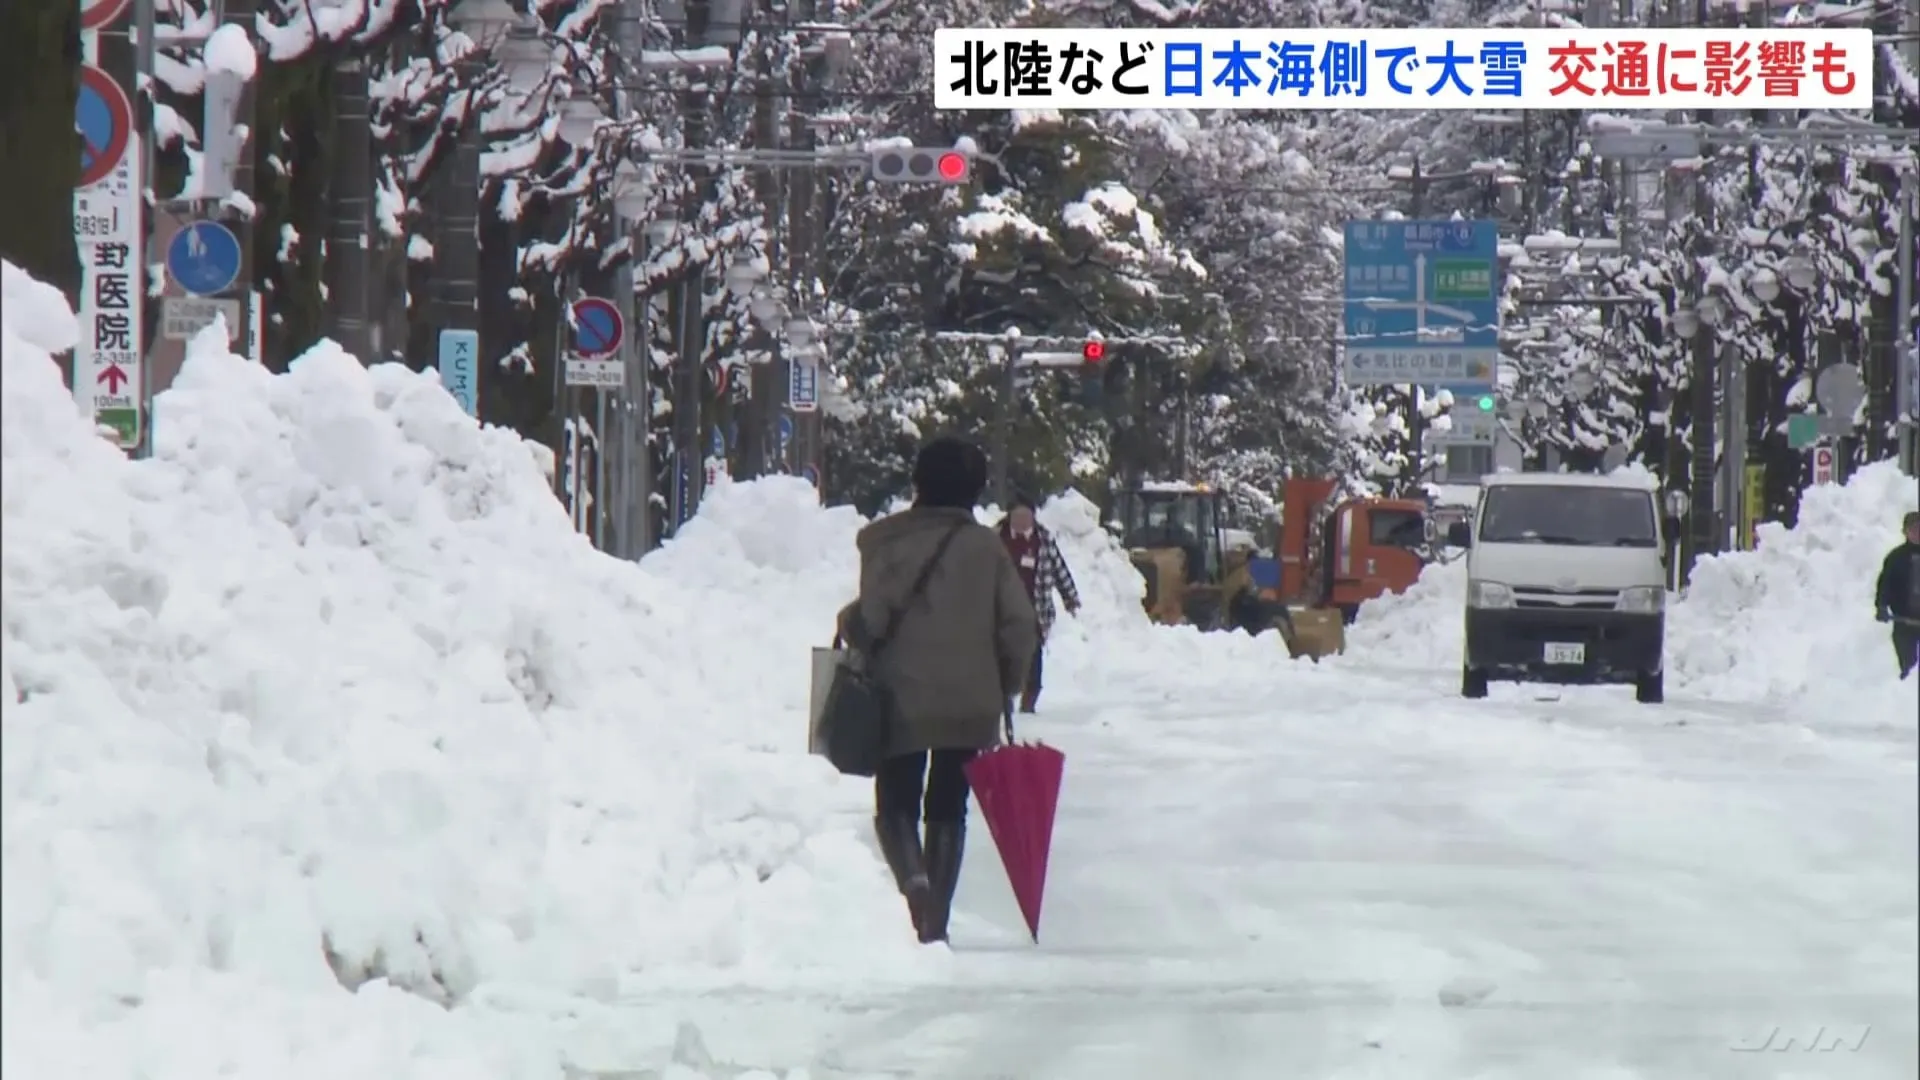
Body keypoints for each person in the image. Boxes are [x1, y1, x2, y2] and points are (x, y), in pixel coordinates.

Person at [838, 437, 1038, 944]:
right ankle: (938, 918)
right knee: (949, 804)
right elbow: (1019, 625)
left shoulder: (884, 543)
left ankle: (916, 883)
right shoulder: (988, 548)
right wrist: (1007, 685)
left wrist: (849, 621)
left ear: (918, 483)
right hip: (970, 702)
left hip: (901, 698)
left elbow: (874, 619)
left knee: (897, 801)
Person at [997, 493, 1082, 713]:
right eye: (1017, 516)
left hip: (1035, 609)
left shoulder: (1043, 540)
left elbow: (1059, 569)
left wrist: (1070, 597)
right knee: (1000, 653)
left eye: (1026, 516)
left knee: (1033, 655)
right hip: (1001, 609)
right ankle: (1002, 698)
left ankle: (1029, 700)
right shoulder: (996, 537)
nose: (1022, 521)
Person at [1873, 511, 1920, 680]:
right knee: (1909, 665)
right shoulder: (1896, 558)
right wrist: (1881, 606)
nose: (1917, 532)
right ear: (1905, 532)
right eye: (1913, 529)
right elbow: (1885, 585)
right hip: (1904, 621)